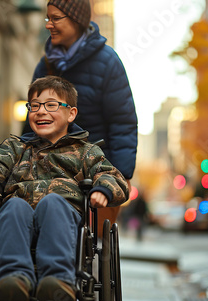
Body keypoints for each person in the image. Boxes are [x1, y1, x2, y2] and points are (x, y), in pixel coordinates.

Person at [0, 76, 129, 301]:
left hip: (62, 218)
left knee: (52, 203)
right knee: (14, 206)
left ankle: (57, 281)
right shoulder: (16, 147)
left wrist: (103, 190)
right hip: (18, 217)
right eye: (35, 105)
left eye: (51, 105)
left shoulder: (86, 152)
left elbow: (113, 176)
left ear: (71, 114)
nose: (41, 111)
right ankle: (13, 279)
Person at [25, 0, 138, 228]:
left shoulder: (108, 62)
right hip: (48, 165)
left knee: (91, 241)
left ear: (76, 20)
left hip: (94, 170)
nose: (49, 25)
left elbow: (122, 123)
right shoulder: (45, 65)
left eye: (56, 19)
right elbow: (31, 122)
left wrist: (119, 175)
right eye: (48, 19)